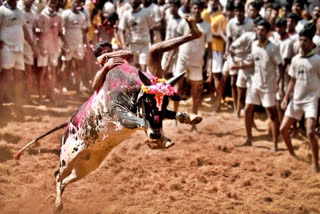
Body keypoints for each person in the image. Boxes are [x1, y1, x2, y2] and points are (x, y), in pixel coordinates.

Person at [280, 23, 320, 173]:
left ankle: (316, 164)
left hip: (311, 101)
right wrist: (285, 98)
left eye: (305, 41)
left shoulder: (317, 60)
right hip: (296, 100)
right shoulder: (295, 59)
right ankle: (292, 154)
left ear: (311, 43)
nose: (302, 43)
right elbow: (292, 80)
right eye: (300, 40)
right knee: (283, 130)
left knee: (310, 132)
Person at [237, 20, 282, 153]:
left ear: (268, 32)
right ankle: (248, 139)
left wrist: (279, 83)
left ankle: (275, 144)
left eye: (263, 30)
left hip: (269, 85)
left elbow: (280, 66)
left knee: (272, 113)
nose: (260, 32)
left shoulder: (273, 47)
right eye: (258, 30)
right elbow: (253, 61)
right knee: (247, 109)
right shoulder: (254, 45)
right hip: (255, 83)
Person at [174, 0, 212, 132]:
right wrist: (170, 59)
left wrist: (209, 67)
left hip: (197, 64)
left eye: (198, 8)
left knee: (196, 93)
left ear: (202, 9)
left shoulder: (207, 26)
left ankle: (194, 123)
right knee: (177, 90)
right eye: (194, 8)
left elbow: (210, 49)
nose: (196, 10)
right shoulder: (184, 22)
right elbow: (176, 41)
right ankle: (175, 118)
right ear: (191, 9)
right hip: (182, 60)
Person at [0, 0, 38, 110]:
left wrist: (32, 45)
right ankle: (1, 103)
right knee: (6, 75)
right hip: (7, 48)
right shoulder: (2, 11)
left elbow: (25, 30)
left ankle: (19, 103)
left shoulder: (20, 12)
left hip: (19, 49)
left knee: (19, 76)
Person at [224, 2, 254, 116]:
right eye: (236, 11)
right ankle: (236, 108)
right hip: (234, 55)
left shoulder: (251, 23)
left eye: (241, 11)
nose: (239, 13)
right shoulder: (231, 23)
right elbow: (229, 38)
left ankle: (244, 108)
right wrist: (227, 51)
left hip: (246, 55)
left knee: (244, 84)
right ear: (234, 12)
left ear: (244, 11)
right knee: (233, 82)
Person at [37, 0, 68, 102]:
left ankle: (51, 95)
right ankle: (41, 96)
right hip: (44, 48)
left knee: (53, 71)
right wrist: (40, 47)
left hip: (54, 48)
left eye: (54, 3)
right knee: (43, 71)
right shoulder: (41, 16)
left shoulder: (59, 17)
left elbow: (60, 32)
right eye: (51, 2)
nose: (52, 4)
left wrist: (65, 43)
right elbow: (37, 34)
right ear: (47, 3)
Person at [201, 0, 227, 111]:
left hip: (217, 48)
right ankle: (212, 96)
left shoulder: (221, 17)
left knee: (216, 75)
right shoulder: (205, 14)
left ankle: (218, 101)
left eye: (215, 1)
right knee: (205, 75)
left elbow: (225, 36)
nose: (213, 3)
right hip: (203, 48)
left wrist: (213, 34)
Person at [118, 0, 154, 72]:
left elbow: (151, 29)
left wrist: (152, 44)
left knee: (143, 69)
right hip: (132, 46)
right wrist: (123, 44)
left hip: (144, 45)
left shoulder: (146, 12)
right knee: (136, 69)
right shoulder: (126, 14)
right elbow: (121, 30)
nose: (133, 1)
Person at [61, 0, 88, 93]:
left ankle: (78, 86)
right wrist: (64, 44)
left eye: (79, 3)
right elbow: (61, 30)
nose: (77, 4)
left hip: (79, 43)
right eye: (75, 2)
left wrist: (86, 44)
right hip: (68, 42)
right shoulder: (65, 14)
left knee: (79, 66)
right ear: (71, 2)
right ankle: (63, 85)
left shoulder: (83, 15)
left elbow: (84, 31)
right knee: (66, 65)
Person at [21, 0, 37, 101]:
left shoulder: (34, 14)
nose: (29, 1)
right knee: (17, 72)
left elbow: (35, 31)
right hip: (18, 44)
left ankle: (28, 95)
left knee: (29, 70)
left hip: (29, 47)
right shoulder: (19, 12)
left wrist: (35, 46)